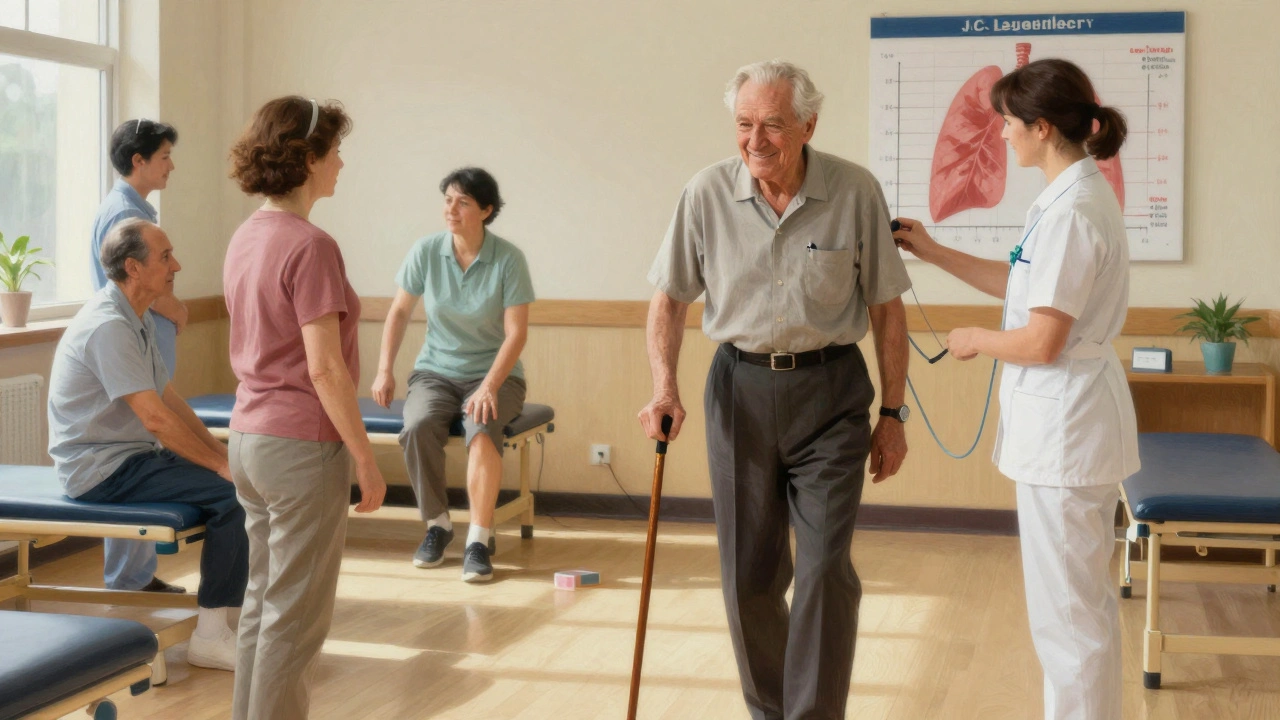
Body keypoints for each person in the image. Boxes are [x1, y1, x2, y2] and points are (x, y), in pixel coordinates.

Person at [639, 60, 912, 720]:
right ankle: (771, 713)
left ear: (808, 125)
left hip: (833, 392)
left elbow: (886, 309)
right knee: (749, 577)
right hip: (739, 391)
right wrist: (664, 387)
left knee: (824, 570)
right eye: (743, 124)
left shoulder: (854, 190)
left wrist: (893, 412)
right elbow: (669, 300)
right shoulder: (705, 194)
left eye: (772, 125)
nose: (755, 140)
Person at [892, 58, 1139, 720]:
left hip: (1067, 432)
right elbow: (1023, 288)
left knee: (1068, 622)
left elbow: (1040, 340)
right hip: (1069, 428)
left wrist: (974, 339)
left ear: (1039, 127)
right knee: (1081, 612)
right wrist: (935, 251)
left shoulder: (1072, 212)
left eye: (1006, 123)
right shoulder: (1070, 199)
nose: (999, 136)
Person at [224, 96, 386, 720]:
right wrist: (365, 461)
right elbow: (324, 367)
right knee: (294, 626)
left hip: (249, 441)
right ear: (310, 158)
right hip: (301, 448)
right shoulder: (312, 245)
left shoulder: (247, 235)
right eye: (337, 151)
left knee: (264, 609)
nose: (342, 164)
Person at [48, 217, 247, 670]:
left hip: (127, 458)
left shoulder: (132, 317)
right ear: (134, 268)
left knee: (237, 480)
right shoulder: (108, 326)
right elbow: (156, 419)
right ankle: (212, 635)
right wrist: (223, 471)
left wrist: (223, 455)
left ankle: (226, 622)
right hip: (98, 470)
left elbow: (169, 398)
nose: (176, 264)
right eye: (165, 256)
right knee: (233, 495)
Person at [372, 167, 534, 583]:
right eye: (447, 199)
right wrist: (384, 369)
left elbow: (516, 334)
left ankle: (478, 539)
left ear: (485, 210)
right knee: (418, 424)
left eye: (462, 202)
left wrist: (489, 386)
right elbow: (400, 311)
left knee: (481, 425)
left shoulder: (508, 259)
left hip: (496, 374)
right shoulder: (427, 251)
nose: (451, 209)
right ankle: (438, 525)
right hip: (435, 372)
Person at [90, 118, 189, 595]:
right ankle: (127, 581)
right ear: (139, 160)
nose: (171, 165)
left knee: (145, 454)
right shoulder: (123, 214)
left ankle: (136, 575)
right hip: (132, 352)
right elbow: (126, 281)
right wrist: (176, 307)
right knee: (133, 455)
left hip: (146, 351)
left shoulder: (134, 207)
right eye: (165, 156)